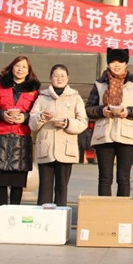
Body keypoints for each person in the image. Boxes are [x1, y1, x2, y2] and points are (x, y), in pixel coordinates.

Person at [85, 48, 133, 196]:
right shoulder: (99, 84)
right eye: (113, 61)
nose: (117, 65)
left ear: (126, 63)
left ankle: (122, 209)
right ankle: (104, 209)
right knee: (105, 178)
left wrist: (128, 112)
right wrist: (102, 111)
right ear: (108, 63)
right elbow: (88, 109)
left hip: (127, 135)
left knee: (123, 178)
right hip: (104, 135)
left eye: (121, 61)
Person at [0, 56, 41, 206]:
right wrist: (2, 114)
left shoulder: (34, 92)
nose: (20, 69)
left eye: (24, 67)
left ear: (28, 71)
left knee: (17, 181)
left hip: (21, 138)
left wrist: (25, 117)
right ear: (11, 67)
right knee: (0, 180)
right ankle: (1, 208)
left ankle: (14, 209)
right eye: (17, 66)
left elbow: (37, 114)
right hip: (0, 137)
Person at [29, 64, 88, 206]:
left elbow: (83, 122)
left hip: (66, 148)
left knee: (62, 187)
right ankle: (43, 216)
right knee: (45, 188)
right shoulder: (42, 97)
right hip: (46, 147)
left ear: (68, 78)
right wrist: (41, 117)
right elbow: (32, 123)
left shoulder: (75, 97)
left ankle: (61, 215)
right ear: (50, 78)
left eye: (62, 76)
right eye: (56, 76)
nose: (59, 79)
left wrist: (67, 123)